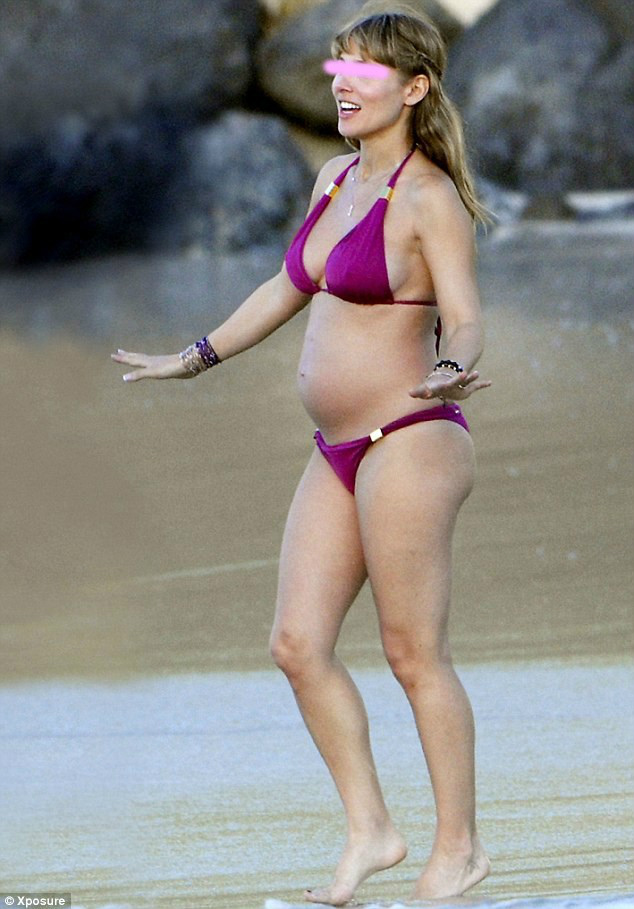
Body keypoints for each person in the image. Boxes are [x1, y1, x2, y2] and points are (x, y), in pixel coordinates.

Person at [113, 5, 492, 904]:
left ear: (415, 87)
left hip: (410, 440)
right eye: (338, 66)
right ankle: (373, 830)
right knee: (295, 643)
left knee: (413, 653)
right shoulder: (334, 177)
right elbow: (285, 286)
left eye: (364, 70)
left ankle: (460, 848)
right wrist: (194, 357)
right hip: (337, 448)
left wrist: (451, 366)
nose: (342, 84)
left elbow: (466, 315)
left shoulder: (428, 198)